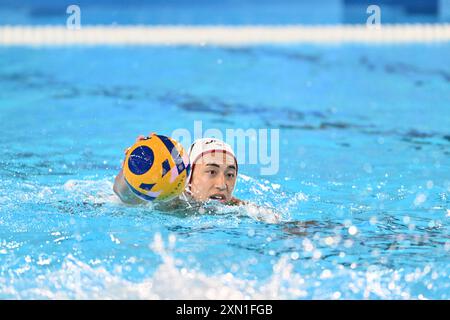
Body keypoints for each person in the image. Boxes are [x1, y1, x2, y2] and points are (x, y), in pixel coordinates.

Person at [113, 135, 243, 206]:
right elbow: (125, 196)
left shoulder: (238, 208)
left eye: (230, 175)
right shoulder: (167, 201)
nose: (221, 185)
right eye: (212, 172)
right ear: (188, 176)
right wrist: (132, 170)